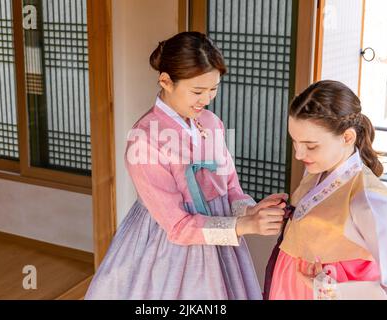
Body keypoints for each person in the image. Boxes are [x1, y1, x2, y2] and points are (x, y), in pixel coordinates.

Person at [85, 32, 287, 300]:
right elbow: (178, 227)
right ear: (166, 81)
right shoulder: (145, 139)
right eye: (197, 91)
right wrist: (245, 225)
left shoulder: (212, 122)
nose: (207, 99)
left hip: (220, 239)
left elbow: (230, 190)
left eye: (214, 88)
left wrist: (251, 209)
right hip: (167, 246)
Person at [266, 80, 387, 300]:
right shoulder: (317, 169)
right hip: (288, 286)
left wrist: (330, 291)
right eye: (295, 143)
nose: (299, 154)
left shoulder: (367, 198)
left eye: (311, 146)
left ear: (347, 137)